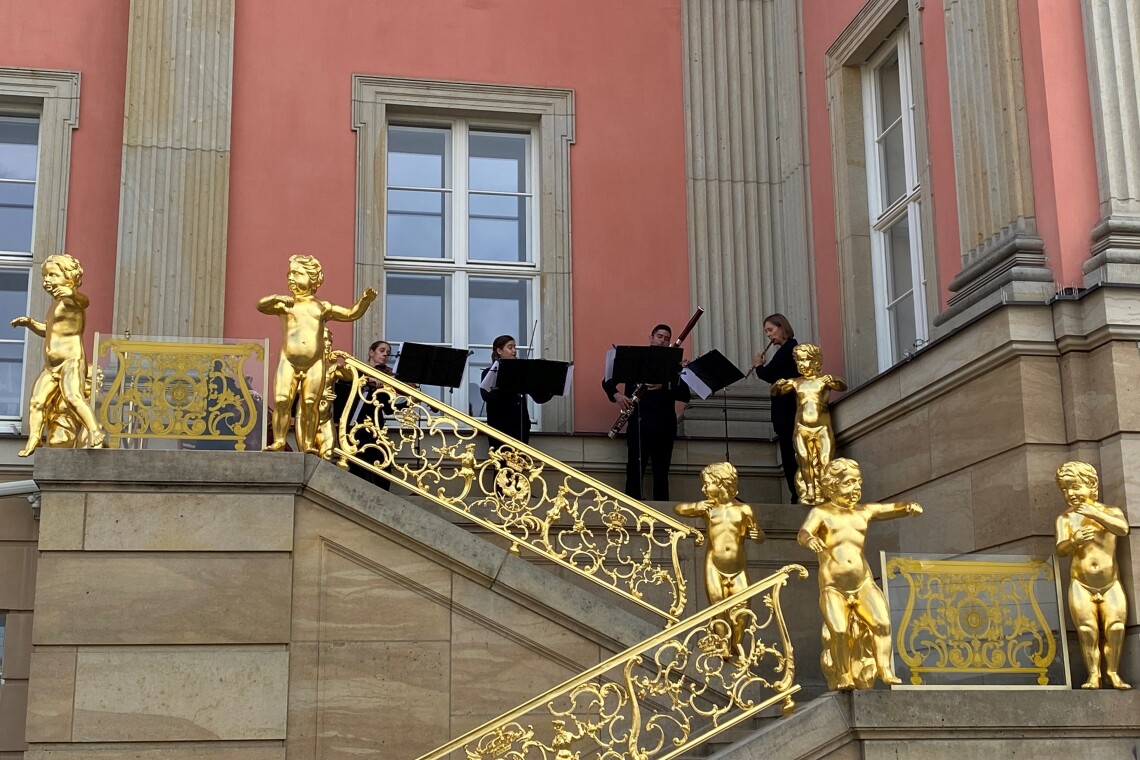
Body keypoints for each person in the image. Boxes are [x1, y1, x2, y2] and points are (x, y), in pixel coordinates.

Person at [797, 457, 921, 689]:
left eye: (858, 483)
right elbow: (803, 532)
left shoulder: (863, 512)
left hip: (863, 583)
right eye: (848, 483)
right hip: (834, 587)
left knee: (882, 623)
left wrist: (908, 507)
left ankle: (884, 668)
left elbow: (889, 509)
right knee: (840, 631)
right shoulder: (821, 512)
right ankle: (843, 674)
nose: (855, 489)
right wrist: (810, 539)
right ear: (832, 485)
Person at [257, 254, 376, 455]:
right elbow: (260, 305)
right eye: (289, 274)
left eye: (297, 273)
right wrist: (276, 298)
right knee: (281, 401)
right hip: (288, 361)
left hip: (314, 364)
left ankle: (309, 445)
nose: (291, 279)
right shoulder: (285, 305)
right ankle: (279, 440)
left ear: (312, 278)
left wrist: (365, 300)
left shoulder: (322, 307)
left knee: (310, 404)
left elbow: (350, 314)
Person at [10, 253, 106, 456]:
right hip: (51, 367)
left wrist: (71, 293)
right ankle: (34, 438)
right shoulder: (55, 305)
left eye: (52, 275)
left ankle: (95, 430)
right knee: (37, 401)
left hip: (71, 361)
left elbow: (84, 301)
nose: (47, 281)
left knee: (73, 396)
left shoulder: (72, 301)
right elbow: (49, 330)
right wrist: (30, 323)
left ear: (69, 276)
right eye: (45, 277)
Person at [1054, 461, 1131, 690]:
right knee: (1087, 630)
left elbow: (1123, 529)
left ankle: (1113, 672)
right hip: (1081, 583)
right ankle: (1093, 675)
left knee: (1116, 627)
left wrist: (1095, 513)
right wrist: (1074, 540)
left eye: (1075, 487)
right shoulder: (1065, 519)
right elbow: (1060, 549)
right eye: (1065, 489)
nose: (1071, 494)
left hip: (1110, 583)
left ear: (1092, 485)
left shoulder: (1110, 512)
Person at [675, 462, 764, 654]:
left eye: (707, 484)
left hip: (738, 567)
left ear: (721, 483)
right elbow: (679, 509)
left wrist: (758, 535)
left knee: (741, 613)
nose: (704, 488)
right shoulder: (707, 509)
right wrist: (697, 505)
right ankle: (723, 645)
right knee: (717, 607)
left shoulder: (744, 510)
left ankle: (735, 646)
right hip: (713, 564)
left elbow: (758, 532)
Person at [602, 323, 692, 501]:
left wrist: (665, 384)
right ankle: (630, 514)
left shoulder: (674, 364)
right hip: (638, 423)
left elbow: (685, 395)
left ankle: (663, 519)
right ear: (651, 338)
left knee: (661, 473)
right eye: (659, 336)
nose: (663, 341)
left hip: (665, 425)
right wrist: (617, 395)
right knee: (634, 471)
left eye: (667, 338)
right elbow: (607, 381)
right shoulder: (635, 358)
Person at [771, 343, 846, 505]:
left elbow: (842, 386)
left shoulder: (823, 380)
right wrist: (778, 384)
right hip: (801, 428)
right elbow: (775, 392)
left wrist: (833, 379)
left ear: (816, 362)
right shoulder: (796, 382)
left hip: (822, 427)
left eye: (805, 360)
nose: (801, 365)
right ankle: (810, 488)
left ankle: (826, 490)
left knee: (825, 459)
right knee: (804, 459)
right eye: (798, 362)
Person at [335, 340, 397, 489]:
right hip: (353, 425)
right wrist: (366, 381)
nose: (385, 355)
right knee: (356, 466)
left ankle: (383, 496)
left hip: (376, 428)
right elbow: (342, 388)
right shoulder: (356, 371)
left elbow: (389, 409)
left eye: (388, 353)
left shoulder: (386, 377)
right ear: (371, 352)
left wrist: (410, 399)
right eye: (382, 350)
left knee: (384, 463)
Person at [751, 314, 800, 503]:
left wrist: (758, 366)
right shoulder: (787, 349)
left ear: (782, 327)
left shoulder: (789, 349)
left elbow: (769, 374)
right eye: (766, 332)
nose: (769, 335)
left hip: (788, 411)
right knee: (788, 455)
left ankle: (796, 494)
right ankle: (795, 493)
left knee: (790, 456)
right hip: (786, 411)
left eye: (770, 330)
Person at [480, 334, 552, 444]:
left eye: (515, 347)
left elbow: (539, 398)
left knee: (520, 460)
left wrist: (551, 387)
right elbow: (487, 396)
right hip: (498, 427)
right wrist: (506, 382)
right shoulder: (489, 372)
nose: (514, 351)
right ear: (499, 351)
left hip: (520, 427)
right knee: (500, 460)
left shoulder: (521, 373)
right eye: (510, 347)